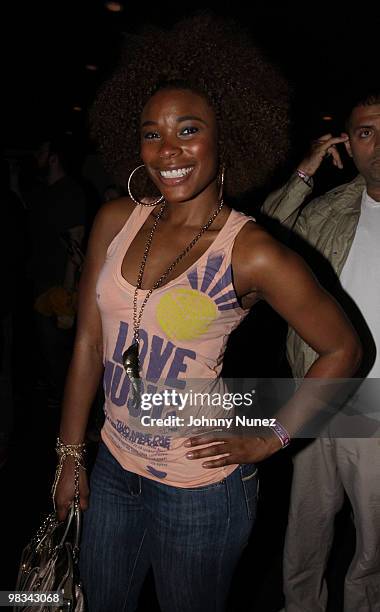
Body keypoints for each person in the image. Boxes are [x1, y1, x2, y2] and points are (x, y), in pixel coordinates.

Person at [53, 16, 361, 612]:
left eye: (188, 130)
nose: (168, 151)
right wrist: (68, 456)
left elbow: (343, 349)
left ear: (227, 138)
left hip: (200, 490)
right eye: (152, 134)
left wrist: (270, 438)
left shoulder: (254, 252)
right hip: (114, 465)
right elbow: (89, 345)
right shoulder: (118, 220)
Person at [263, 91, 380, 611]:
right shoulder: (330, 209)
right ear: (348, 146)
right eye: (365, 132)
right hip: (318, 394)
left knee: (373, 551)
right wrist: (305, 173)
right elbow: (258, 240)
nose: (378, 144)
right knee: (303, 538)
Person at [27, 136, 86, 402]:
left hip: (57, 284)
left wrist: (68, 289)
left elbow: (75, 240)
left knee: (59, 350)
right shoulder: (44, 192)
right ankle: (59, 395)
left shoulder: (69, 192)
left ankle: (70, 406)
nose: (35, 155)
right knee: (46, 348)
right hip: (39, 279)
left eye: (41, 149)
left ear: (53, 157)